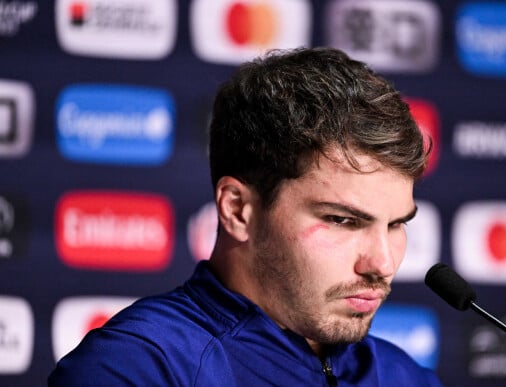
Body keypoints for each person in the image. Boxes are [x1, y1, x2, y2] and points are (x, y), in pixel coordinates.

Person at [48, 47, 442, 386]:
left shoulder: (403, 376)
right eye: (343, 220)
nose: (383, 264)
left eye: (395, 225)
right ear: (237, 209)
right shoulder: (138, 369)